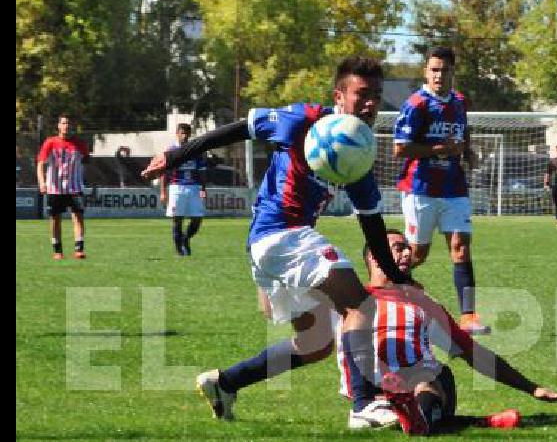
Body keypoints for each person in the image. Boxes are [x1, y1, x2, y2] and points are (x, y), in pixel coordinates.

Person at [140, 56, 414, 426]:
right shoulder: (304, 120)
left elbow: (372, 224)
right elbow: (240, 129)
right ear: (339, 95)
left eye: (377, 96)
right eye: (362, 94)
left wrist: (398, 279)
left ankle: (226, 383)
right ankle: (364, 406)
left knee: (315, 343)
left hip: (270, 246)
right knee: (359, 306)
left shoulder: (359, 151)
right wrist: (175, 155)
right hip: (282, 234)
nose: (371, 104)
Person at [340, 229, 557, 434]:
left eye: (407, 248)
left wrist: (532, 388)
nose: (407, 253)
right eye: (398, 247)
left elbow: (470, 351)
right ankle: (468, 420)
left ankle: (410, 410)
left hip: (418, 384)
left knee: (431, 378)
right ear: (374, 256)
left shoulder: (423, 303)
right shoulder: (351, 299)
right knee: (423, 387)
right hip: (372, 392)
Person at [392, 46, 489, 335]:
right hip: (420, 188)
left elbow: (463, 130)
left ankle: (469, 316)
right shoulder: (416, 105)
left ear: (452, 72)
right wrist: (440, 148)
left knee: (460, 248)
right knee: (416, 255)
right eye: (434, 69)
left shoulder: (459, 102)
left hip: (454, 187)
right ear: (426, 72)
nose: (438, 75)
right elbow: (400, 149)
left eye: (444, 70)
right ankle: (384, 293)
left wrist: (468, 152)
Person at [36, 114, 90, 260]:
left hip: (75, 187)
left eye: (69, 123)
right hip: (55, 188)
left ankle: (79, 249)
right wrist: (42, 182)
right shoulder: (50, 142)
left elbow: (86, 163)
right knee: (55, 219)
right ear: (59, 126)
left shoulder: (81, 144)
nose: (67, 126)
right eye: (64, 123)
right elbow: (40, 163)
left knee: (78, 216)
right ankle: (57, 250)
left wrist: (85, 181)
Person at [160, 123, 208, 256]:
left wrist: (203, 188)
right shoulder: (171, 151)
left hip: (194, 187)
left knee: (197, 219)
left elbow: (202, 171)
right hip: (176, 187)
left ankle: (185, 238)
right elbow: (164, 173)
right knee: (177, 219)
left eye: (187, 133)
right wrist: (163, 191)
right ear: (177, 134)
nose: (184, 136)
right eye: (182, 133)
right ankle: (179, 251)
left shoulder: (196, 151)